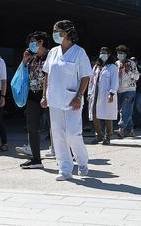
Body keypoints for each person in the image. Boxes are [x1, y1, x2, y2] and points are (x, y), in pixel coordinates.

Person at [41, 20, 91, 181]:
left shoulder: (79, 52)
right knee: (58, 135)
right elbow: (47, 75)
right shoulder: (53, 52)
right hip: (54, 99)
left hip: (72, 100)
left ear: (67, 32)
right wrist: (44, 95)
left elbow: (85, 76)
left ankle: (82, 162)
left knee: (72, 134)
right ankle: (65, 169)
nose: (54, 34)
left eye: (57, 31)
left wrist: (79, 96)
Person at [19, 31, 50, 169]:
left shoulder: (51, 56)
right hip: (32, 95)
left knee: (56, 128)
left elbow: (49, 77)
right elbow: (23, 76)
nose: (30, 45)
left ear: (41, 42)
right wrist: (24, 61)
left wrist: (45, 95)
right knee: (32, 128)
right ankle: (36, 159)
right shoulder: (31, 58)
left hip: (49, 96)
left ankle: (69, 154)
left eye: (33, 42)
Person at [87, 47, 117, 145]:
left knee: (107, 115)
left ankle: (108, 136)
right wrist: (89, 93)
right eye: (101, 53)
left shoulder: (112, 67)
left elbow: (115, 81)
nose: (102, 55)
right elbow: (91, 81)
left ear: (108, 55)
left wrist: (112, 93)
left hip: (106, 94)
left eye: (104, 53)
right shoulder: (96, 67)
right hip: (95, 94)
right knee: (94, 114)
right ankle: (98, 135)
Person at [114, 45, 138, 139]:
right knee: (124, 110)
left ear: (125, 54)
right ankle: (130, 129)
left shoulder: (131, 63)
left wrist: (129, 72)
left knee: (125, 109)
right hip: (119, 90)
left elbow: (137, 77)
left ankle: (121, 128)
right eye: (118, 53)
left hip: (130, 90)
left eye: (122, 53)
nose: (119, 55)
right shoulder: (116, 63)